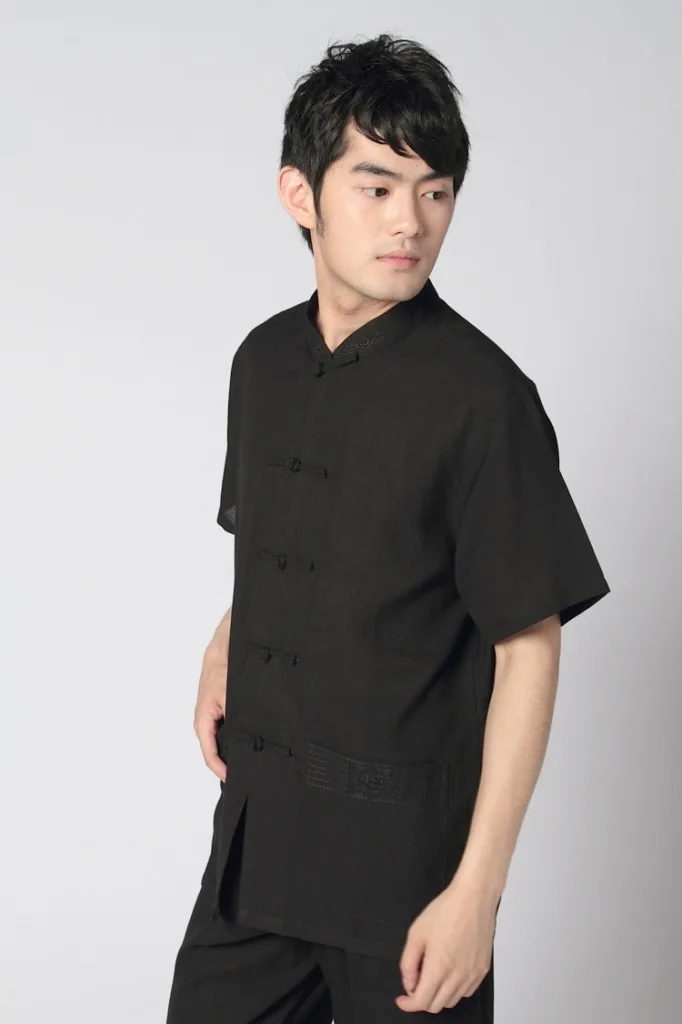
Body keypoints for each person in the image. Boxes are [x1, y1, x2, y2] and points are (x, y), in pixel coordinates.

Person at [165, 32, 611, 1024]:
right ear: (301, 194)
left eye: (435, 191)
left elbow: (528, 647)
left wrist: (475, 895)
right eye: (376, 186)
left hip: (407, 881)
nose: (411, 221)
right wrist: (225, 642)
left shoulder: (483, 398)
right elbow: (282, 542)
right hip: (258, 852)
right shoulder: (262, 362)